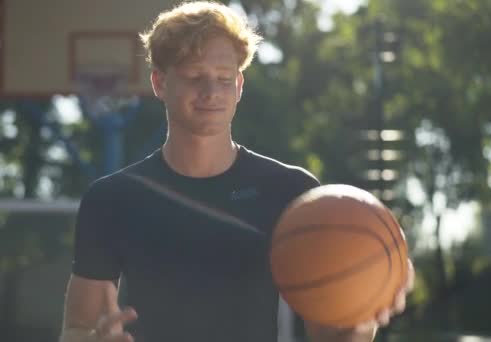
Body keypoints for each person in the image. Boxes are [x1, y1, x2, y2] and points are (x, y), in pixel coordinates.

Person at [60, 2, 414, 342]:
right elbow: (77, 328)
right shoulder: (112, 199)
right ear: (159, 83)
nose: (211, 92)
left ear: (240, 86)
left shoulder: (293, 193)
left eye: (224, 79)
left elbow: (328, 335)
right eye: (195, 76)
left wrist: (359, 321)